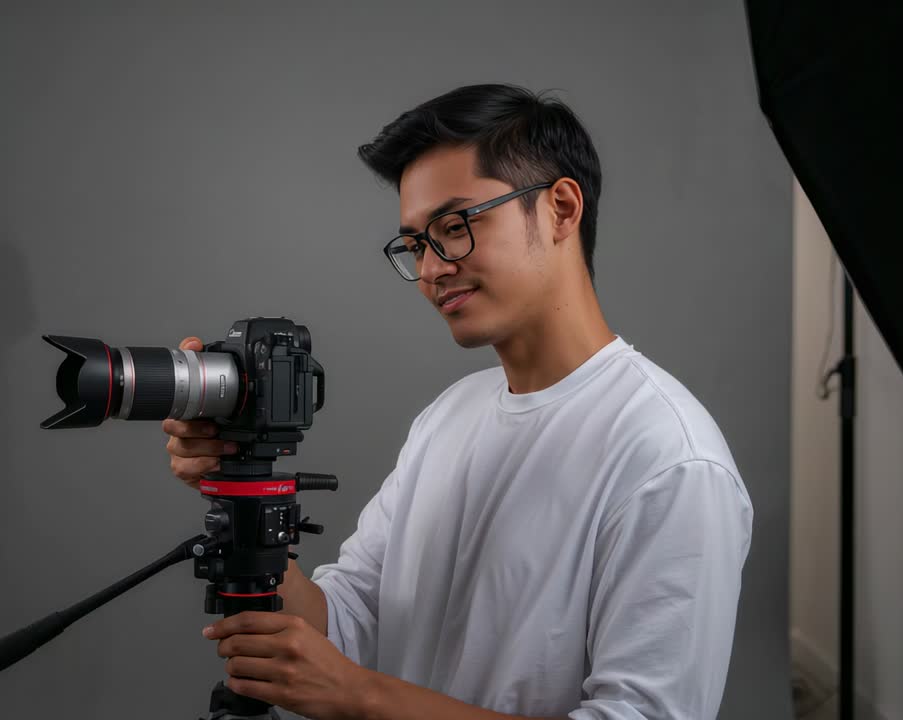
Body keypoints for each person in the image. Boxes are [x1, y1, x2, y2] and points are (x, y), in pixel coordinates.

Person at [163, 84, 753, 720]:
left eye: (455, 227)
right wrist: (239, 481)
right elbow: (350, 619)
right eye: (416, 243)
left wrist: (359, 697)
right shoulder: (450, 416)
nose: (431, 269)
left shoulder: (670, 460)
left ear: (560, 208)